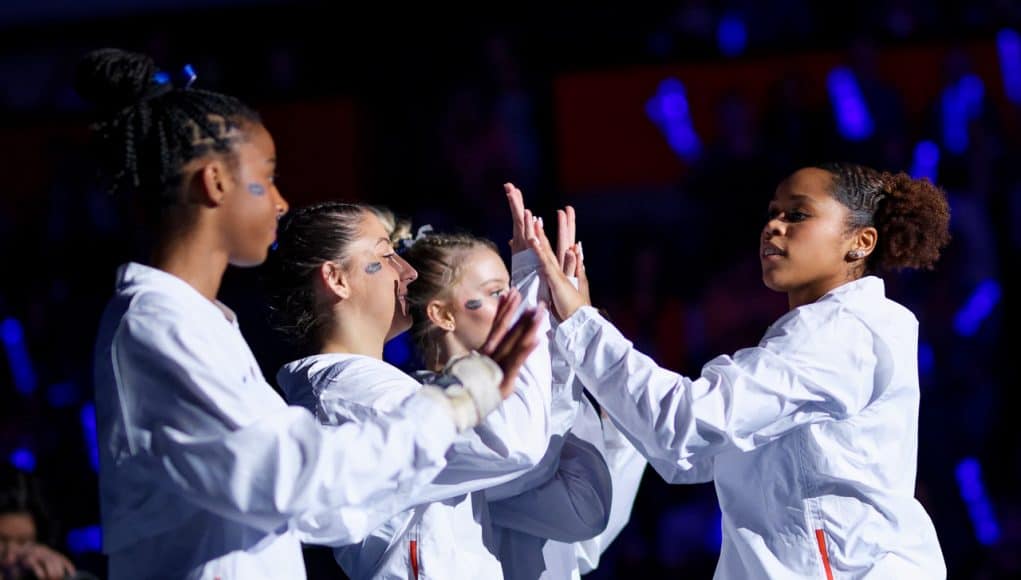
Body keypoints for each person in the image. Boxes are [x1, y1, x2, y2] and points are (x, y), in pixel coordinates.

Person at [82, 48, 539, 580]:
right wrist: (450, 405)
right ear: (214, 182)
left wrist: (438, 426)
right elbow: (287, 476)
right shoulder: (156, 324)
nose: (280, 202)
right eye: (267, 178)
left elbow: (327, 513)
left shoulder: (198, 323)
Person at [526, 163, 951, 578]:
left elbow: (685, 425)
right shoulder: (819, 337)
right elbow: (690, 456)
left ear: (860, 241)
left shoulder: (842, 334)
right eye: (772, 214)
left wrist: (583, 326)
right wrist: (581, 334)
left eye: (797, 214)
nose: (774, 226)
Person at [267, 200, 551, 579]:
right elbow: (512, 442)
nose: (409, 272)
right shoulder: (353, 394)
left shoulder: (372, 386)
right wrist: (533, 293)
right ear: (337, 279)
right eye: (386, 257)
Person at [400, 184, 648, 579]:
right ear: (443, 315)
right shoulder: (436, 414)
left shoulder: (517, 399)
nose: (517, 304)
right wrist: (561, 347)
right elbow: (583, 510)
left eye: (513, 289)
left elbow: (584, 549)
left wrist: (586, 357)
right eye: (497, 293)